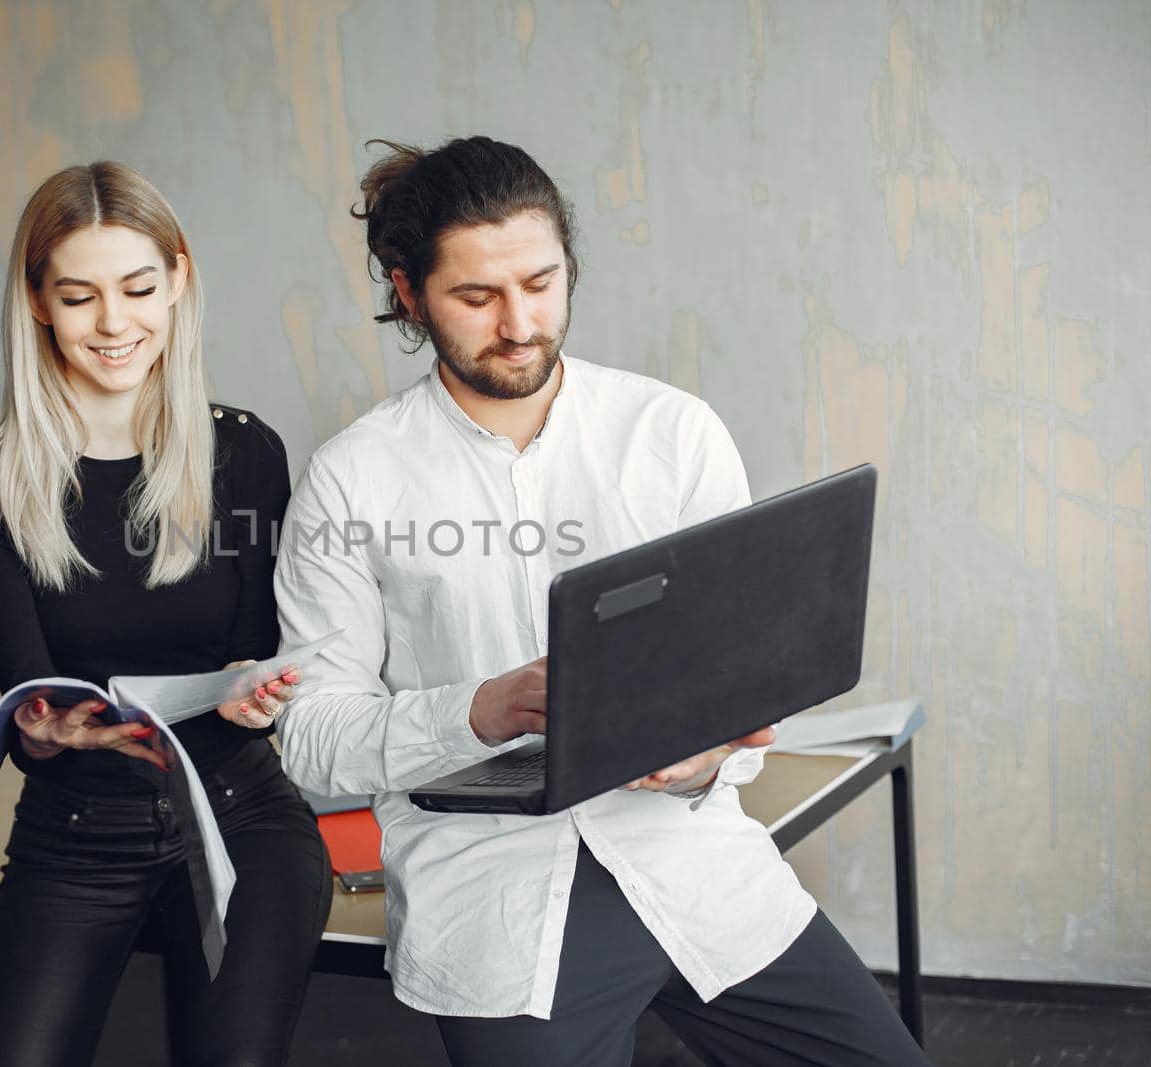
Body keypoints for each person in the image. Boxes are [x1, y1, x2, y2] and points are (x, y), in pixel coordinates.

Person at [272, 137, 928, 1066]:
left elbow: (736, 681)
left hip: (696, 868)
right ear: (408, 293)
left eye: (541, 282)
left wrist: (705, 757)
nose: (519, 323)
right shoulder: (350, 479)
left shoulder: (672, 434)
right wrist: (479, 710)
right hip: (497, 904)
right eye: (477, 296)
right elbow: (312, 741)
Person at [0, 162, 331, 1067]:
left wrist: (258, 694)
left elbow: (255, 655)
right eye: (79, 296)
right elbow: (26, 701)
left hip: (242, 815)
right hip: (77, 833)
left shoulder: (243, 452)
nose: (114, 324)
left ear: (179, 280)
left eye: (138, 288)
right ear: (36, 300)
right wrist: (46, 734)